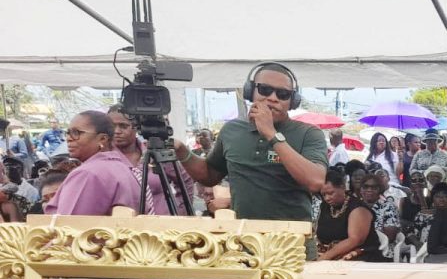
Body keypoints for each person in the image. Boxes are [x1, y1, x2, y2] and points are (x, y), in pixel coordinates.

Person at [173, 62, 327, 222]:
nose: (273, 98)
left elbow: (315, 182)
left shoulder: (309, 133)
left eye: (283, 94)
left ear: (292, 101)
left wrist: (271, 134)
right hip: (243, 238)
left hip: (291, 242)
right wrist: (182, 151)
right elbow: (210, 175)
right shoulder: (232, 130)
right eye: (265, 90)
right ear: (250, 92)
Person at [45, 111, 140, 216]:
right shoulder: (124, 168)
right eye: (68, 132)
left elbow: (67, 227)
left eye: (76, 133)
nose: (69, 138)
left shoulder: (87, 174)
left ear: (102, 139)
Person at [108, 105, 193, 215]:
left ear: (136, 127)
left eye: (123, 126)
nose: (117, 131)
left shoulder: (156, 153)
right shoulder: (103, 159)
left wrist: (182, 212)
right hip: (122, 228)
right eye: (112, 126)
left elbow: (185, 180)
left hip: (163, 226)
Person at [315, 166, 386, 262]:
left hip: (361, 257)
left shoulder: (358, 209)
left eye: (330, 193)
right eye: (323, 195)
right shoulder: (325, 206)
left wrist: (324, 258)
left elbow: (354, 240)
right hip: (330, 256)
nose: (327, 198)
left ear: (343, 187)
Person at [359, 175, 402, 259]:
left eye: (374, 187)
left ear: (380, 190)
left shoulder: (388, 207)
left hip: (383, 250)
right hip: (358, 248)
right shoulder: (356, 207)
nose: (369, 190)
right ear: (361, 189)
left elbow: (390, 237)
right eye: (365, 187)